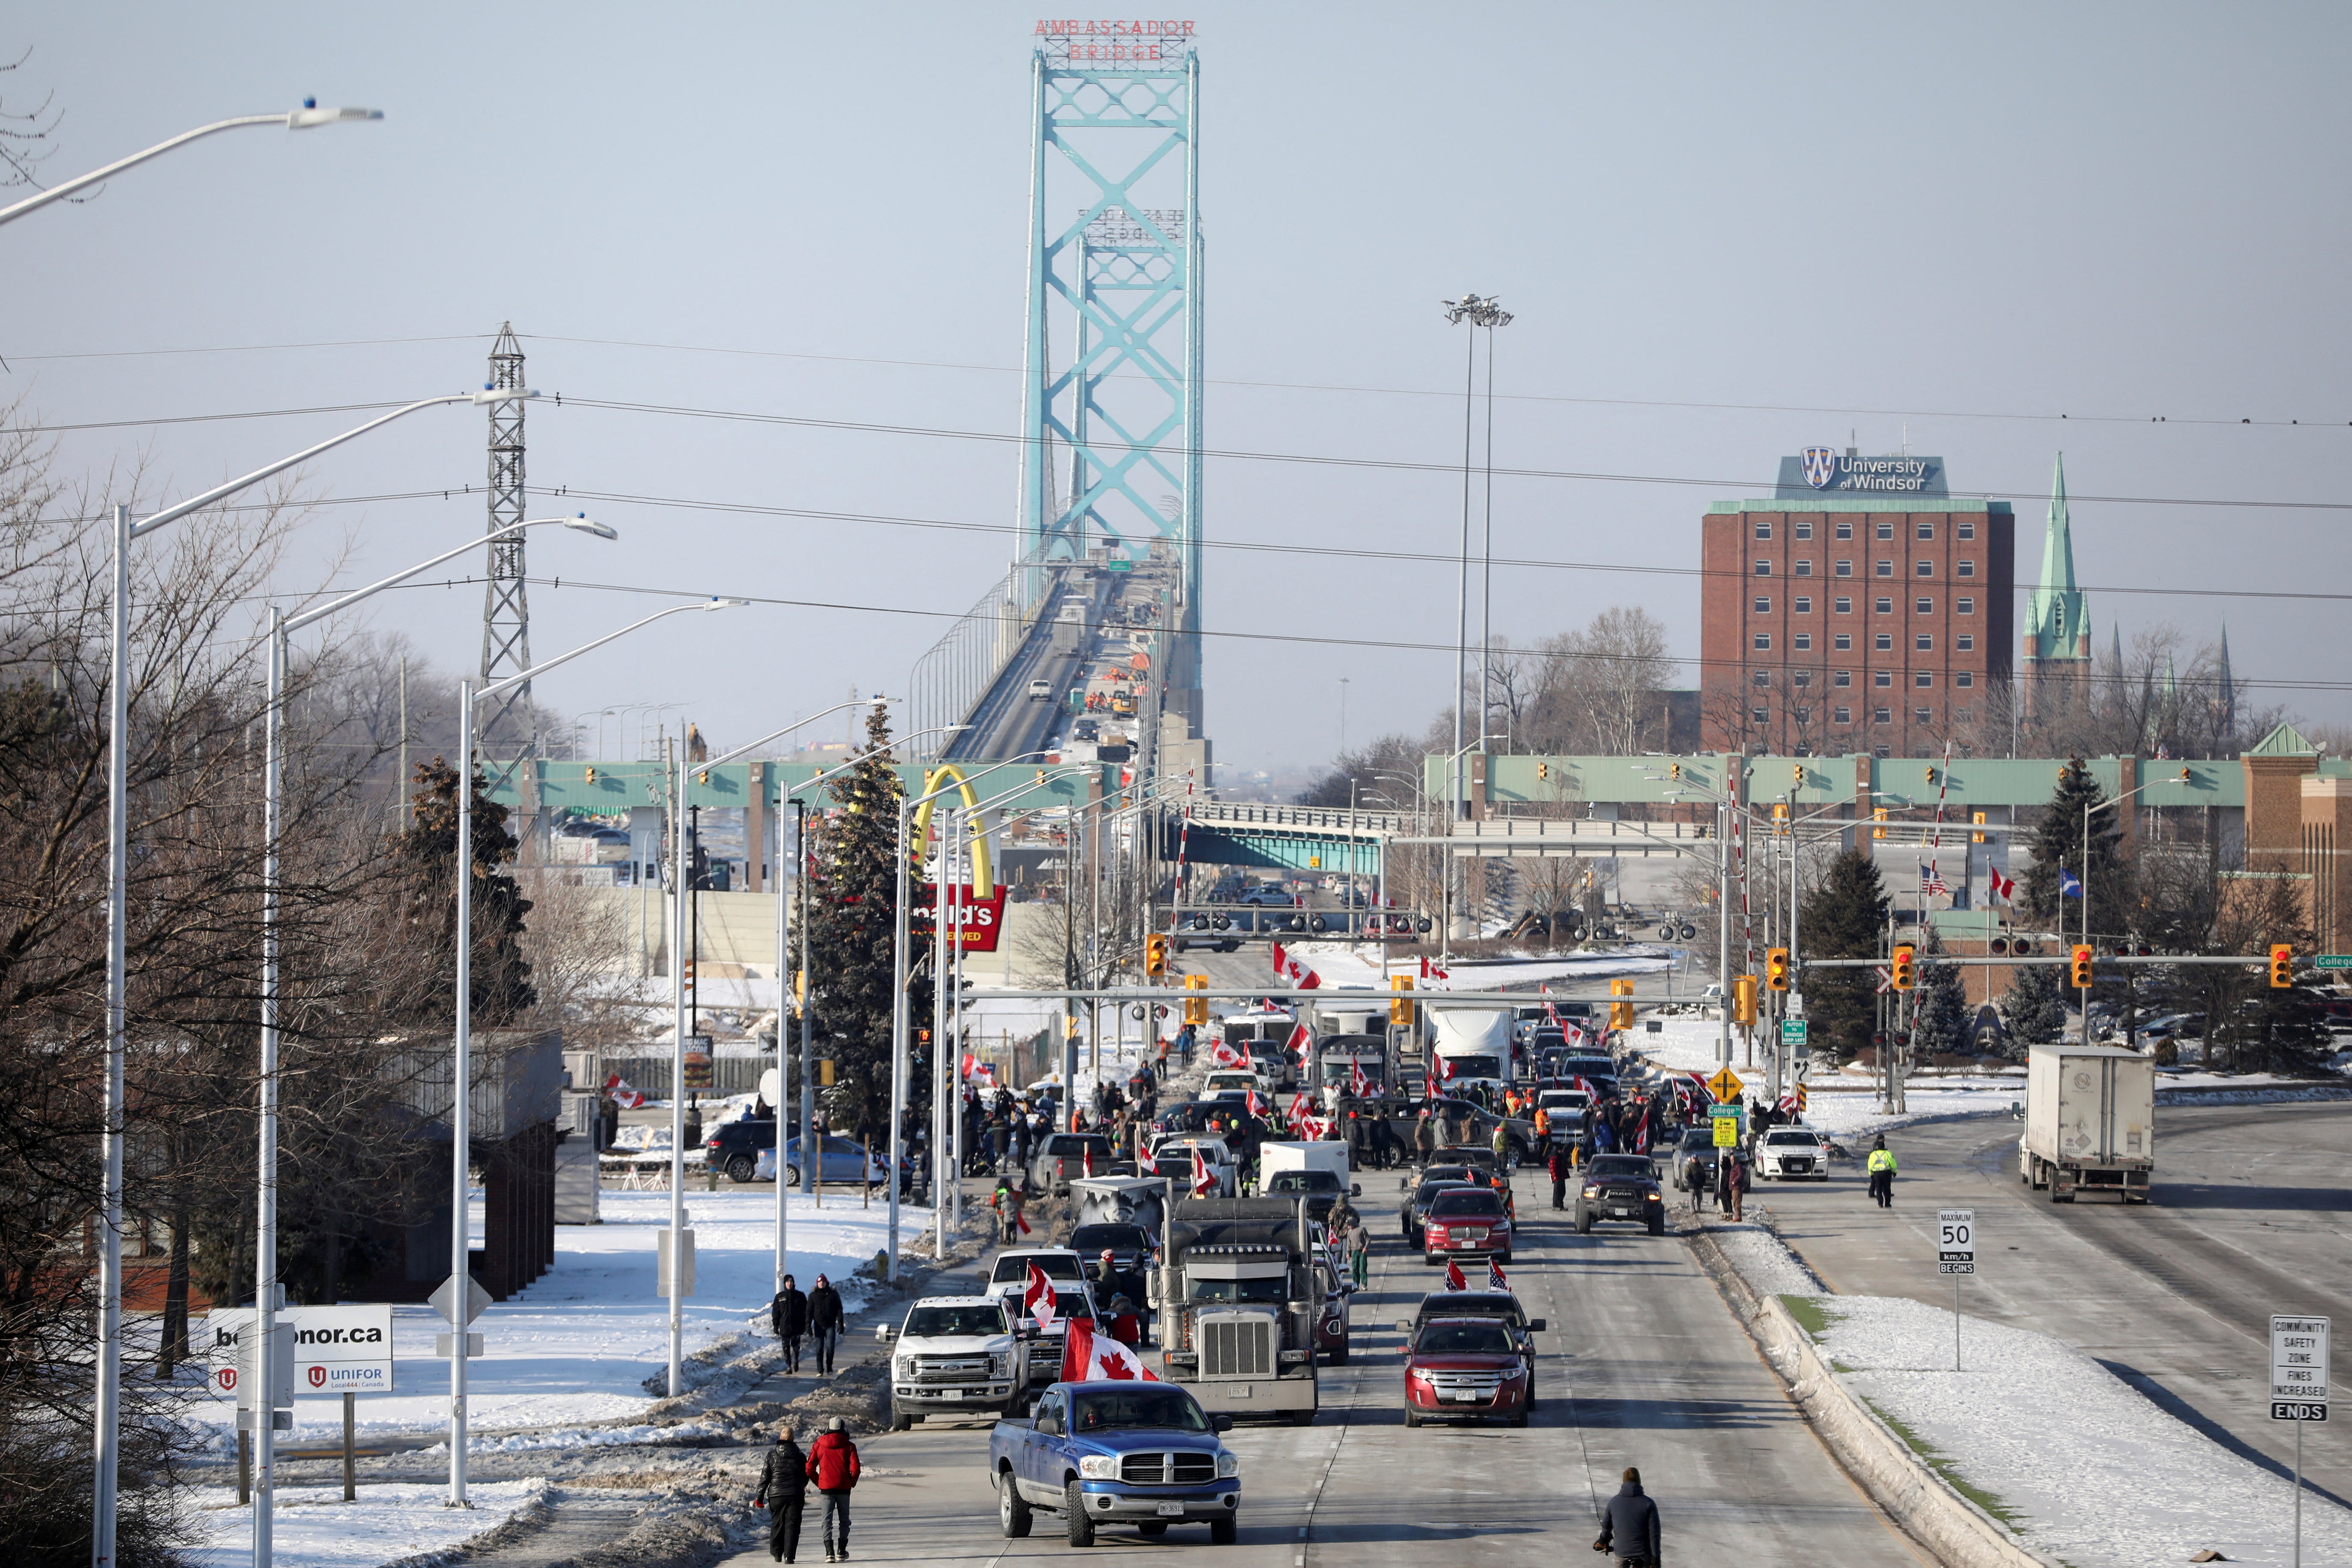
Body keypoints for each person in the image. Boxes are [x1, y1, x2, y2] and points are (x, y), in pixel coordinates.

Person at [752, 1423, 809, 1562]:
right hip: (796, 1495)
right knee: (793, 1525)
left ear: (780, 1437)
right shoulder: (800, 1456)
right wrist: (800, 1486)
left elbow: (765, 1478)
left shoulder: (771, 1455)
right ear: (793, 1438)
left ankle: (777, 1553)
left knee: (777, 1523)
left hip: (776, 1496)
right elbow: (805, 1476)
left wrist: (759, 1498)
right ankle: (789, 1556)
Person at [807, 1414, 860, 1562]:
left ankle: (829, 1552)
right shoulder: (850, 1446)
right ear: (843, 1429)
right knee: (844, 1521)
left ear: (828, 1429)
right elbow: (856, 1469)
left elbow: (809, 1468)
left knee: (826, 1521)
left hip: (827, 1489)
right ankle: (841, 1551)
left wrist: (820, 1482)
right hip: (844, 1488)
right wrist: (851, 1482)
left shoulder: (818, 1445)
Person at [1592, 1465, 1662, 1567]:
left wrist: (1603, 1540)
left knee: (1619, 1562)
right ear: (1639, 1482)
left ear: (1624, 1482)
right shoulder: (1649, 1503)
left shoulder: (1614, 1502)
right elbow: (1654, 1534)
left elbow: (1607, 1527)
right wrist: (1656, 1560)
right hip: (1643, 1553)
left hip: (1622, 1551)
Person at [770, 1274, 810, 1373]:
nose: (790, 1284)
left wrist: (806, 1324)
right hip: (785, 1326)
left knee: (796, 1346)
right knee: (786, 1347)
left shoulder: (800, 1296)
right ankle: (789, 1366)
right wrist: (776, 1326)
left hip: (797, 1325)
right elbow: (776, 1312)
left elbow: (806, 1311)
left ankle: (796, 1360)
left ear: (794, 1283)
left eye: (791, 1282)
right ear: (785, 1284)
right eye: (788, 1282)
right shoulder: (780, 1297)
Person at [807, 1273, 845, 1375]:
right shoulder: (813, 1296)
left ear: (826, 1283)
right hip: (818, 1325)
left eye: (823, 1282)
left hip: (831, 1325)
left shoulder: (833, 1295)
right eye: (820, 1282)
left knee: (830, 1347)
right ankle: (820, 1369)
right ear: (817, 1284)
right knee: (819, 1348)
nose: (822, 1284)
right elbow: (809, 1312)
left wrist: (841, 1324)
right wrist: (808, 1326)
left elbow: (839, 1309)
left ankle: (829, 1367)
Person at [1867, 1135, 1897, 1208]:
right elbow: (1893, 1163)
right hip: (1886, 1173)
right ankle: (1887, 1203)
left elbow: (1870, 1165)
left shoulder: (1873, 1155)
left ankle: (1880, 1203)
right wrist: (1895, 1171)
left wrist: (1871, 1174)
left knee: (1879, 1189)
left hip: (1877, 1174)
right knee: (1887, 1188)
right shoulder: (1888, 1154)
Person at [1721, 1145, 1748, 1223]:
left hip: (1737, 1188)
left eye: (1733, 1160)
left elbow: (1740, 1175)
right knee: (1735, 1202)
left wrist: (1734, 1181)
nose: (1732, 1161)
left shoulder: (1738, 1166)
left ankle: (1738, 1217)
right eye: (1731, 1160)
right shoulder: (1733, 1167)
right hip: (1733, 1188)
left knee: (1737, 1203)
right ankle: (1737, 1216)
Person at [1547, 1138, 1573, 1210]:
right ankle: (1556, 1206)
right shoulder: (1554, 1158)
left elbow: (1564, 1164)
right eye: (1560, 1150)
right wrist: (1555, 1177)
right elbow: (1553, 1169)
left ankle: (1560, 1205)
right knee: (1557, 1192)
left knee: (1563, 1191)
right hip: (1557, 1178)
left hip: (1562, 1177)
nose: (1561, 1152)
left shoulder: (1560, 1157)